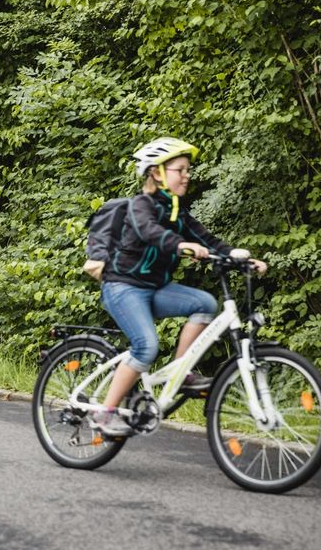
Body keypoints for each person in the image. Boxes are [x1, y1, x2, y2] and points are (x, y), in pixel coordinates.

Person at [92, 137, 268, 436]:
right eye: (180, 169)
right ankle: (105, 413)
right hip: (123, 287)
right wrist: (181, 244)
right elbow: (151, 233)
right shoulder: (140, 206)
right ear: (157, 173)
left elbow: (207, 239)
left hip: (154, 288)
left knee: (205, 304)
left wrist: (241, 258)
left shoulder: (177, 211)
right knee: (146, 347)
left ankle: (180, 371)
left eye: (188, 169)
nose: (186, 175)